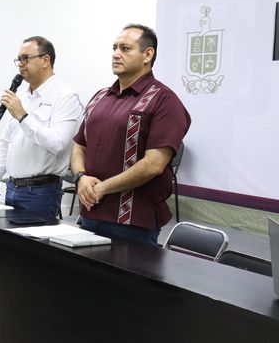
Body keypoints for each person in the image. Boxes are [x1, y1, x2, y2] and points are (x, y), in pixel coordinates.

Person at [71, 24, 191, 246]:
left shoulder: (164, 101)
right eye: (115, 48)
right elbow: (79, 145)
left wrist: (102, 188)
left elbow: (154, 164)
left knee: (124, 281)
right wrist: (81, 178)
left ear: (147, 54)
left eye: (125, 48)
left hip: (132, 223)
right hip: (90, 213)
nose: (116, 54)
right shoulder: (100, 97)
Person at [0, 36, 83, 218]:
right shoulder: (23, 96)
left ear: (45, 60)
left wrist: (23, 116)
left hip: (41, 192)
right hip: (12, 188)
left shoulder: (65, 97)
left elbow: (57, 144)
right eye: (19, 59)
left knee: (32, 246)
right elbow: (5, 142)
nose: (20, 64)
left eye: (26, 58)